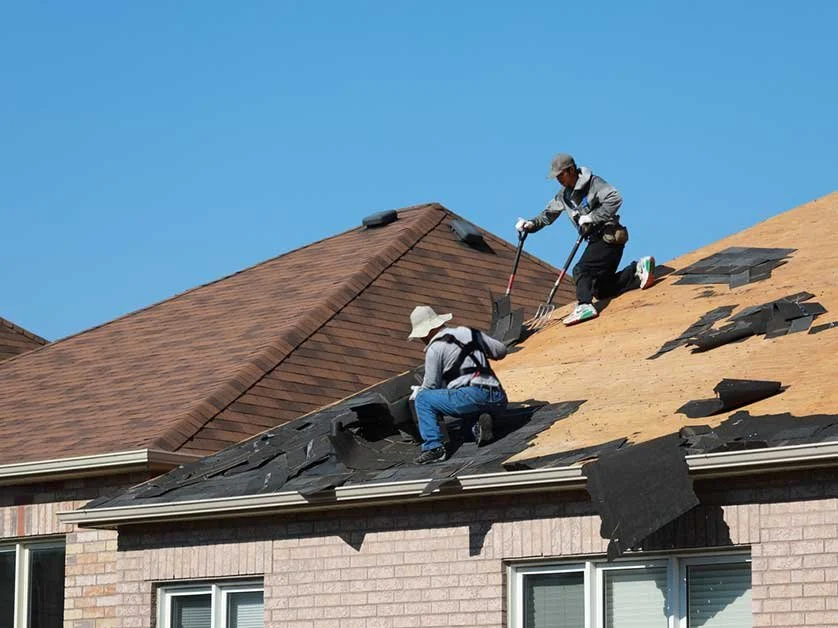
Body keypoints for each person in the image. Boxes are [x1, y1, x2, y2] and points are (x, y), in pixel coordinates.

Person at [516, 153, 656, 325]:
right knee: (600, 289)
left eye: (561, 175)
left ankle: (584, 306)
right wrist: (531, 224)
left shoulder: (593, 183)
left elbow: (615, 198)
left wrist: (593, 217)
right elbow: (547, 215)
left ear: (571, 170)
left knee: (581, 270)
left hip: (608, 235)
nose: (558, 179)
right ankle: (637, 269)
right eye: (556, 176)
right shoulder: (564, 196)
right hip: (598, 240)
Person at [407, 305, 508, 464]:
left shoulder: (435, 348)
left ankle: (434, 448)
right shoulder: (468, 332)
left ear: (426, 332)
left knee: (423, 398)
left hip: (472, 396)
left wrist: (419, 396)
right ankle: (478, 426)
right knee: (463, 431)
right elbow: (501, 351)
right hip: (498, 397)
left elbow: (430, 387)